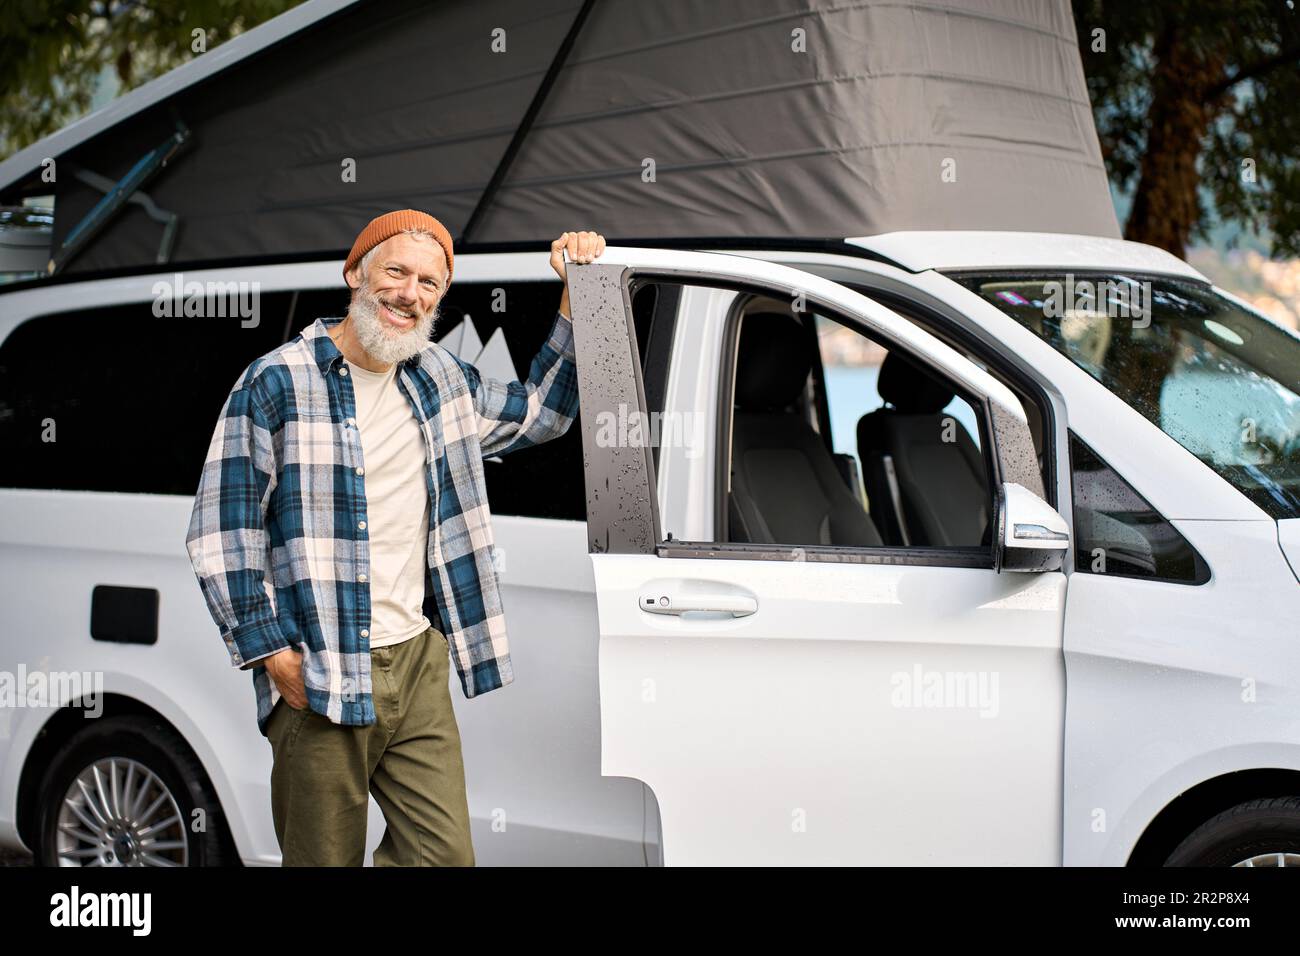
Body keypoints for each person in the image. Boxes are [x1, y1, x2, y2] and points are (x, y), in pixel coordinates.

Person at [185, 209, 604, 865]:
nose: (411, 294)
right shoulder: (276, 383)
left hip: (416, 662)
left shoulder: (440, 378)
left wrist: (577, 292)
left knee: (443, 856)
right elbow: (220, 530)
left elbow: (543, 414)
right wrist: (271, 653)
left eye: (430, 283)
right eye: (397, 272)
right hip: (320, 669)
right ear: (355, 274)